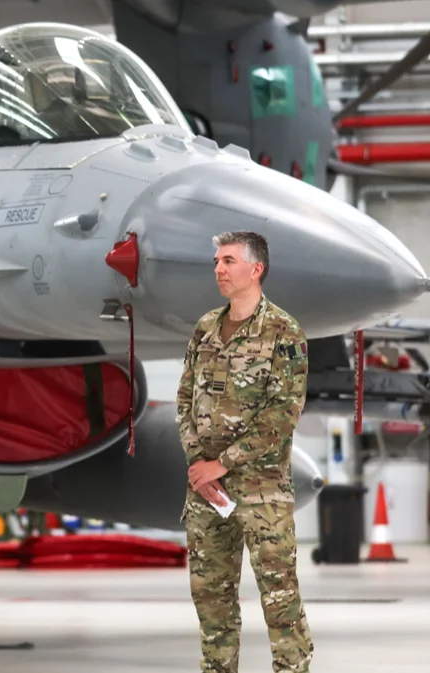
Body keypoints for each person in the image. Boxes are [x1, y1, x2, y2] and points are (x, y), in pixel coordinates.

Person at [176, 230, 314, 673]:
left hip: (261, 492)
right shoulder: (205, 329)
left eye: (229, 261)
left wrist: (221, 464)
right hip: (207, 493)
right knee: (211, 601)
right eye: (217, 261)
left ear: (256, 269)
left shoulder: (284, 331)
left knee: (279, 601)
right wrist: (199, 466)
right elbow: (185, 400)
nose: (219, 269)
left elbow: (282, 414)